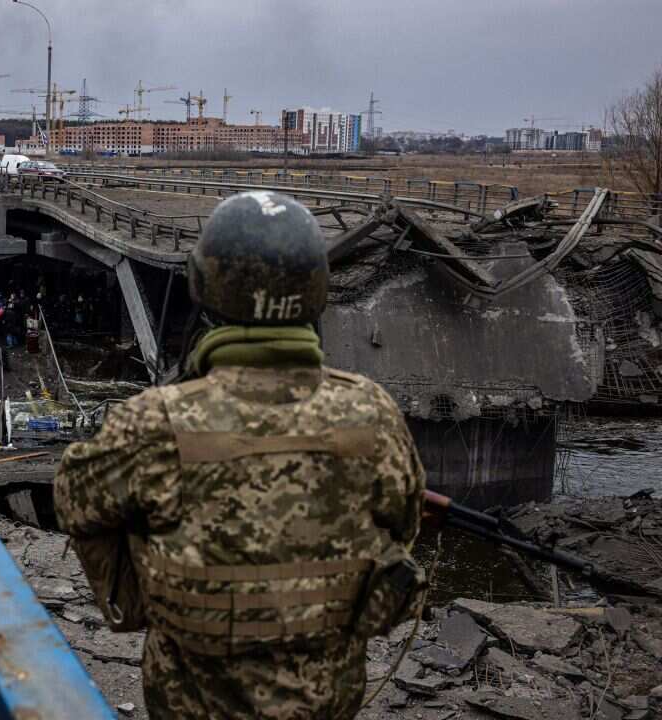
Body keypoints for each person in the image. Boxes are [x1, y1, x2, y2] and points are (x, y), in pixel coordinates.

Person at [53, 192, 426, 720]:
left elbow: (73, 500)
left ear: (205, 286)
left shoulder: (155, 422)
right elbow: (402, 528)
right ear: (315, 290)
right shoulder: (373, 413)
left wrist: (138, 587)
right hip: (327, 703)